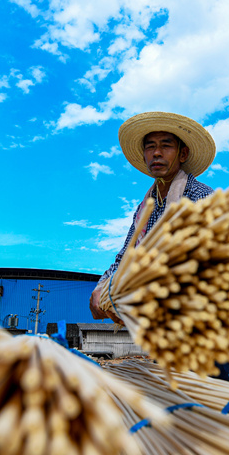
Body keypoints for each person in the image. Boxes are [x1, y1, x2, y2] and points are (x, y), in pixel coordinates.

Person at [89, 111, 217, 323]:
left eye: (166, 145)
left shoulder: (200, 197)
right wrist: (103, 287)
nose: (157, 153)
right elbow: (126, 256)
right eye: (150, 146)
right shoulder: (145, 208)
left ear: (182, 154)